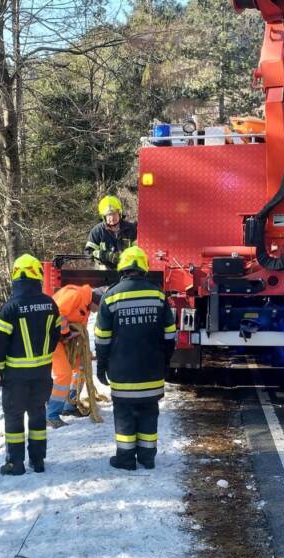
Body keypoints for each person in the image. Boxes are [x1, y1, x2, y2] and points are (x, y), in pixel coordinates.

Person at [94, 247, 175, 470]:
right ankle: (147, 458)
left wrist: (101, 367)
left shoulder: (111, 296)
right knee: (149, 412)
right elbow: (170, 334)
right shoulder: (158, 295)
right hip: (152, 369)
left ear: (123, 267)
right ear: (143, 268)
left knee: (124, 414)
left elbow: (102, 338)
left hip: (122, 372)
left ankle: (126, 459)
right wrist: (165, 361)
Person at [0, 254, 64, 475]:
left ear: (15, 275)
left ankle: (15, 463)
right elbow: (56, 336)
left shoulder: (10, 308)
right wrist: (43, 356)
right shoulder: (50, 304)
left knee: (14, 418)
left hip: (15, 376)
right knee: (37, 414)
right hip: (42, 373)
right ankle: (38, 460)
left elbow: (0, 343)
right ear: (38, 275)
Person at [46, 284, 104, 427]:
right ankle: (51, 415)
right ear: (95, 302)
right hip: (50, 338)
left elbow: (79, 330)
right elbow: (57, 313)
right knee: (64, 374)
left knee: (81, 366)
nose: (98, 312)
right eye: (99, 308)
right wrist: (66, 333)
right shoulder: (76, 295)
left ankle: (69, 405)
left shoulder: (86, 304)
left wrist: (87, 353)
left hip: (62, 339)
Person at [85, 195, 138, 269]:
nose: (112, 218)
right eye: (109, 215)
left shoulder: (131, 229)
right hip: (104, 275)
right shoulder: (97, 231)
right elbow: (89, 252)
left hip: (127, 272)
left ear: (120, 213)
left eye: (114, 214)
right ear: (104, 217)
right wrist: (106, 255)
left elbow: (139, 250)